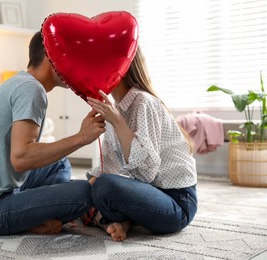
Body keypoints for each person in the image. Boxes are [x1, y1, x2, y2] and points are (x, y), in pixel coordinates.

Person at [0, 31, 106, 236]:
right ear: (52, 59)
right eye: (69, 60)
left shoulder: (21, 82)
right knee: (86, 193)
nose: (73, 68)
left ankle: (30, 213)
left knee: (59, 165)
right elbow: (21, 158)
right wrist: (81, 138)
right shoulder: (32, 90)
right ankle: (29, 219)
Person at [85, 46, 198, 242]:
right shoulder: (116, 108)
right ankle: (125, 220)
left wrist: (118, 121)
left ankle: (116, 219)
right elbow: (110, 165)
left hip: (178, 203)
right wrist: (90, 183)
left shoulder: (143, 102)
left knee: (105, 187)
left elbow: (147, 173)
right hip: (149, 193)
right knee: (87, 187)